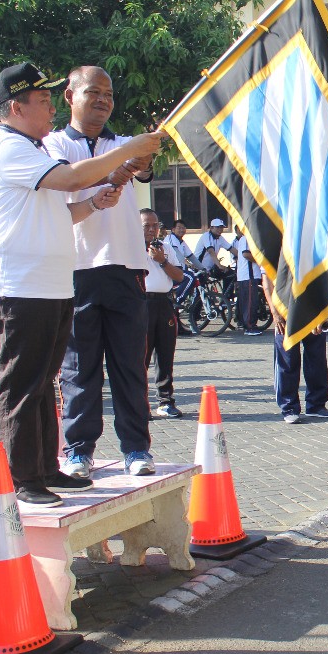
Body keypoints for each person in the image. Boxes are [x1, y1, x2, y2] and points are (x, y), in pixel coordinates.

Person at [0, 61, 163, 505]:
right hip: (18, 287)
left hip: (50, 286)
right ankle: (23, 479)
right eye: (43, 100)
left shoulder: (33, 149)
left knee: (43, 383)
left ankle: (46, 468)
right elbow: (73, 178)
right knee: (22, 385)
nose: (49, 109)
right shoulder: (8, 147)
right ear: (16, 107)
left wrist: (95, 204)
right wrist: (129, 149)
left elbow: (62, 212)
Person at [45, 66, 158, 479]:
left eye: (109, 94)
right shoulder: (53, 144)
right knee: (79, 368)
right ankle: (78, 451)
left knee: (130, 365)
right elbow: (69, 181)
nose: (103, 100)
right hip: (76, 268)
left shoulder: (124, 143)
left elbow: (143, 164)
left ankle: (136, 449)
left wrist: (144, 152)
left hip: (126, 267)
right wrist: (112, 173)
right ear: (69, 96)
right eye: (94, 92)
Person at [262, 273, 328, 424]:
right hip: (285, 310)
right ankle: (289, 407)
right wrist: (275, 312)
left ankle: (316, 405)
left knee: (317, 360)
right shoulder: (275, 256)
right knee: (287, 361)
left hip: (313, 309)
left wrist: (325, 310)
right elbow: (267, 282)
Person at [140, 208, 184, 419]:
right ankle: (140, 403)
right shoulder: (129, 247)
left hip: (164, 303)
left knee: (165, 353)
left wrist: (162, 261)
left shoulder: (165, 248)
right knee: (141, 355)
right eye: (146, 226)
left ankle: (166, 401)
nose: (152, 229)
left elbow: (179, 276)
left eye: (155, 225)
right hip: (141, 303)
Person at [231, 224, 263, 335]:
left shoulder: (246, 238)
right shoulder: (246, 238)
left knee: (246, 302)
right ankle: (250, 327)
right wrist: (261, 262)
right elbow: (246, 254)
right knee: (250, 303)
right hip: (248, 276)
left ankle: (244, 324)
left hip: (249, 276)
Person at [193, 218, 237, 298]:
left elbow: (232, 249)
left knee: (230, 274)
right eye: (217, 227)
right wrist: (219, 265)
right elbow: (211, 251)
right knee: (200, 295)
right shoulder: (206, 236)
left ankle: (226, 298)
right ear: (211, 228)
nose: (220, 229)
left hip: (210, 268)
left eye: (221, 227)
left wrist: (244, 258)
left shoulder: (220, 238)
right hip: (199, 268)